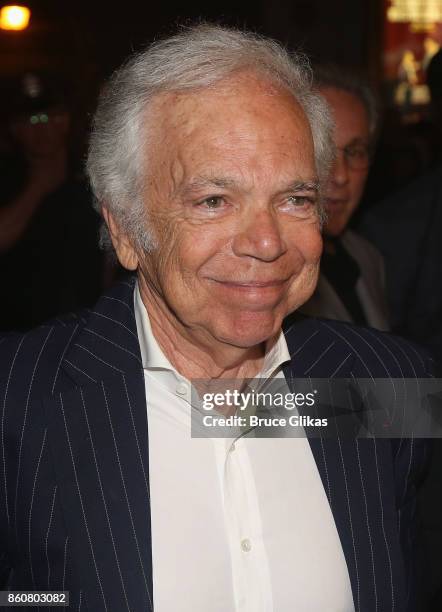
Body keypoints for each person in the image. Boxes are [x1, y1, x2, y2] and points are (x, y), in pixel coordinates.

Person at [0, 25, 433, 611]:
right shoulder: (20, 400)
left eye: (295, 199)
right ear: (126, 229)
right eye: (213, 201)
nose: (265, 241)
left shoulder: (388, 385)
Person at [0, 73, 104, 330]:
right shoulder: (5, 177)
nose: (41, 127)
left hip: (85, 324)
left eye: (51, 117)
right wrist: (37, 188)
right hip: (17, 330)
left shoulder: (93, 174)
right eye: (31, 119)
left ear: (66, 121)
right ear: (14, 129)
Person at [300, 66, 389, 330]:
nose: (340, 176)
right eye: (323, 151)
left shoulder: (369, 258)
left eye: (355, 151)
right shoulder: (267, 273)